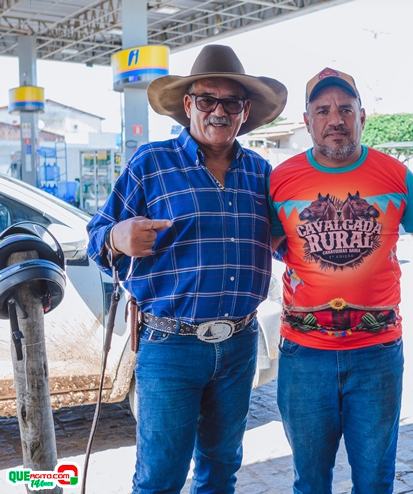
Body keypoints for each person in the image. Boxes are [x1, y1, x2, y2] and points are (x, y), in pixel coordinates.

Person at [86, 44, 287, 493]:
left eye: (231, 103)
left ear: (245, 111)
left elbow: (287, 243)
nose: (219, 111)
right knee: (160, 477)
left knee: (221, 471)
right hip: (170, 346)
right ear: (188, 104)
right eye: (207, 99)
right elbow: (96, 237)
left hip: (239, 343)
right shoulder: (151, 163)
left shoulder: (261, 173)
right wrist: (117, 237)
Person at [269, 68, 413, 493]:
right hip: (304, 354)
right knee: (310, 481)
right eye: (323, 110)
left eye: (345, 109)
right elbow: (260, 246)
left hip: (377, 353)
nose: (335, 119)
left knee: (375, 481)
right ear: (307, 121)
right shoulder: (280, 180)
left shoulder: (397, 175)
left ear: (362, 116)